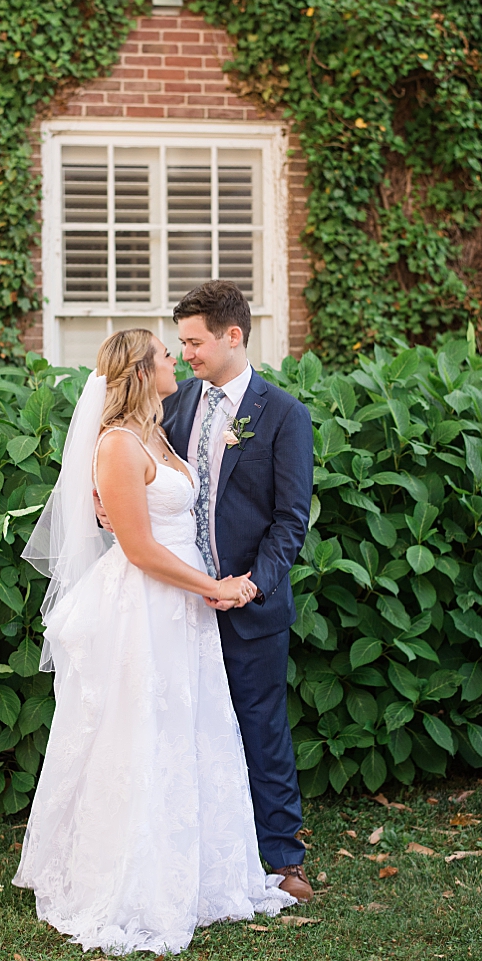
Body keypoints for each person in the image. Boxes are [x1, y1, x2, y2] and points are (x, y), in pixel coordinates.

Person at [12, 327, 295, 955]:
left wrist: (203, 587)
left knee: (188, 730)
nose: (176, 361)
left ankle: (199, 874)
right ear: (142, 372)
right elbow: (138, 549)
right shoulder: (117, 444)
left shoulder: (158, 432)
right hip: (147, 605)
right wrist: (211, 586)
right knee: (142, 733)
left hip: (180, 606)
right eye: (166, 355)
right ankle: (130, 882)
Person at [165, 280, 315, 901]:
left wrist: (251, 585)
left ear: (233, 336)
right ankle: (193, 859)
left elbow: (290, 519)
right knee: (183, 730)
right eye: (180, 345)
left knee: (261, 727)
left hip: (250, 604)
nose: (186, 356)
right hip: (178, 604)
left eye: (195, 343)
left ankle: (283, 859)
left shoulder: (283, 414)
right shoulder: (174, 407)